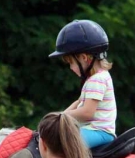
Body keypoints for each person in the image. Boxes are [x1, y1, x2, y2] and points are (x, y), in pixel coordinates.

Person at [50, 20, 117, 149]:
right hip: (92, 130)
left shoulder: (97, 80)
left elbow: (87, 112)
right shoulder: (94, 78)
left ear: (84, 58)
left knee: (60, 144)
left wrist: (63, 116)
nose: (70, 67)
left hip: (99, 132)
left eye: (71, 63)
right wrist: (58, 117)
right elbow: (79, 102)